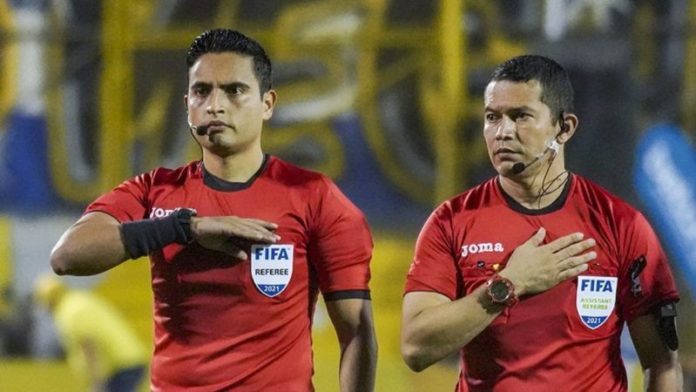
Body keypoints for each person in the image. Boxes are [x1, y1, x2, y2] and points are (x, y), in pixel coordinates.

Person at [50, 28, 377, 391]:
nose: (215, 105)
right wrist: (185, 228)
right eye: (201, 91)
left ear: (268, 104)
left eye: (234, 90)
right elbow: (68, 256)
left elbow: (357, 332)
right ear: (186, 103)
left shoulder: (315, 198)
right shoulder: (154, 190)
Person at [401, 55, 681, 391]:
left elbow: (662, 364)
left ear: (564, 128)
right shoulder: (451, 222)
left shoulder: (620, 225)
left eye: (520, 116)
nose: (502, 132)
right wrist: (508, 285)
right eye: (492, 117)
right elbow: (416, 348)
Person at [33, 275, 148, 392]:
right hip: (127, 359)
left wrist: (97, 382)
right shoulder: (79, 300)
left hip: (121, 365)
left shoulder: (69, 312)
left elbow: (88, 345)